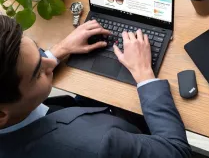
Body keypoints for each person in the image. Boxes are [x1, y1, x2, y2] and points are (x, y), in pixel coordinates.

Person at [0, 16, 191, 158]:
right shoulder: (97, 145)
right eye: (38, 72)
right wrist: (145, 75)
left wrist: (61, 49)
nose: (50, 63)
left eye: (38, 49)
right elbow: (176, 151)